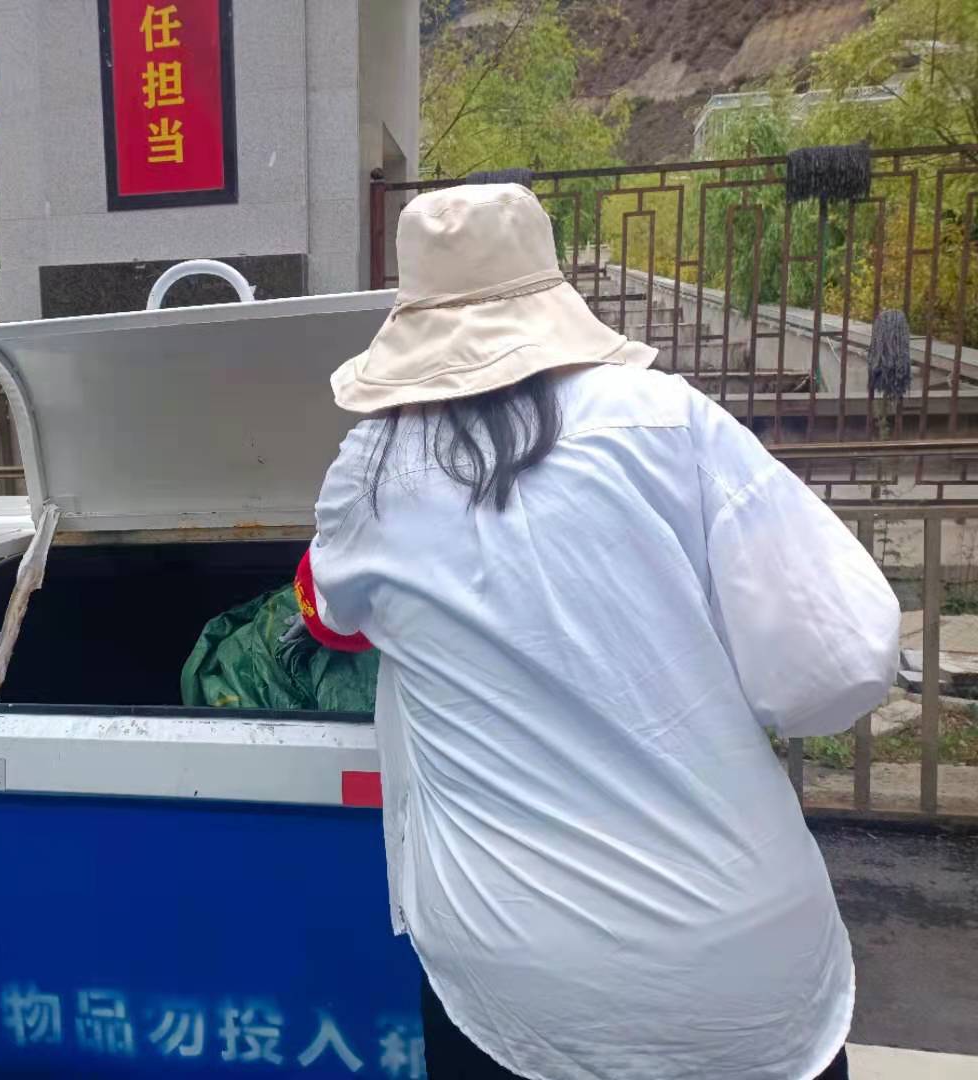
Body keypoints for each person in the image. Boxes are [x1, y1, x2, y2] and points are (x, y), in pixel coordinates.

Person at [294, 184, 900, 1080]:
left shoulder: (373, 469)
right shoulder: (671, 420)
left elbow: (331, 614)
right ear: (550, 289)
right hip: (740, 961)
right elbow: (836, 664)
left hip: (510, 977)